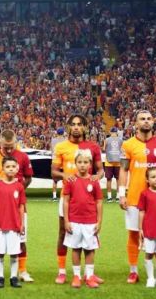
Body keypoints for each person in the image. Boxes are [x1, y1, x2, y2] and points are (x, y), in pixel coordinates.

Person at [118, 110, 156, 284]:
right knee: (134, 234)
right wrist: (121, 194)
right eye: (142, 119)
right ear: (136, 123)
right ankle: (133, 271)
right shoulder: (128, 144)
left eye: (149, 119)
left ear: (153, 122)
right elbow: (123, 170)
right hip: (134, 197)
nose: (146, 121)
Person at [51, 114, 104, 284]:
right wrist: (64, 175)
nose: (76, 127)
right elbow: (53, 172)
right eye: (73, 124)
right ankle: (62, 272)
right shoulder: (61, 147)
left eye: (79, 124)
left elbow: (100, 170)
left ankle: (89, 274)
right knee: (63, 232)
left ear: (85, 127)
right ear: (68, 127)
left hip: (88, 198)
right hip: (68, 197)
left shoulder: (93, 147)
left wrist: (97, 177)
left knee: (90, 233)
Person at [0, 129, 34, 283]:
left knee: (21, 239)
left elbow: (29, 177)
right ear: (0, 142)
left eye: (12, 147)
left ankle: (22, 271)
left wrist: (17, 193)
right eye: (6, 147)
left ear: (16, 142)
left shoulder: (23, 157)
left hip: (17, 208)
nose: (9, 150)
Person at [63, 150, 103, 289]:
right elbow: (66, 201)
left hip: (90, 221)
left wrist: (99, 221)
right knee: (75, 248)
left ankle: (89, 276)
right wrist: (66, 220)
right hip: (74, 221)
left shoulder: (94, 181)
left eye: (85, 162)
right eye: (79, 162)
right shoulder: (70, 180)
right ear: (75, 163)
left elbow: (99, 201)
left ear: (90, 164)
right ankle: (76, 276)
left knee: (90, 249)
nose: (82, 165)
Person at [0, 157, 25, 288]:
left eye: (13, 167)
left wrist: (22, 224)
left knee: (14, 253)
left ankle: (13, 277)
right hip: (0, 225)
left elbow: (21, 206)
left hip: (14, 225)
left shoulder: (19, 186)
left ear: (17, 169)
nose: (10, 169)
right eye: (8, 167)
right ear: (3, 169)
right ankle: (0, 277)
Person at [103, 127, 123, 202]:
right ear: (117, 132)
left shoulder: (107, 140)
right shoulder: (120, 140)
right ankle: (117, 197)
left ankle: (109, 197)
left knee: (109, 180)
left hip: (109, 162)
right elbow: (123, 150)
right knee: (118, 180)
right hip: (118, 162)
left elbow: (104, 149)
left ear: (110, 132)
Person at [50, 127, 67, 201]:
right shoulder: (66, 140)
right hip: (63, 161)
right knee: (65, 179)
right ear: (63, 133)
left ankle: (54, 196)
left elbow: (51, 149)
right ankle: (65, 195)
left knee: (55, 180)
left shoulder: (53, 140)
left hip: (55, 161)